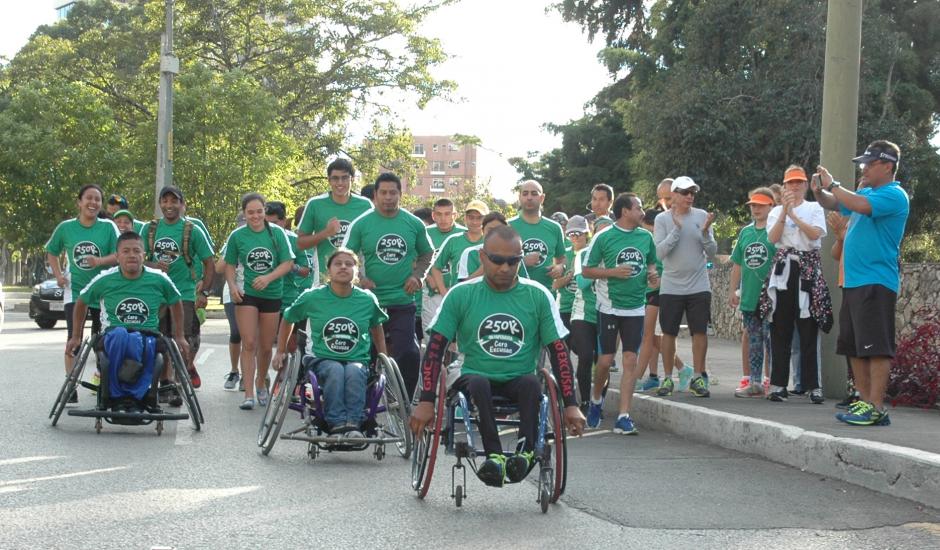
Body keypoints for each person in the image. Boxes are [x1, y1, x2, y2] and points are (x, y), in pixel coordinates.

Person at [410, 225, 585, 486]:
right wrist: (426, 400)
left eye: (513, 261)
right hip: (471, 373)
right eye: (497, 260)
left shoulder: (538, 295)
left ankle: (525, 453)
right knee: (479, 382)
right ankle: (494, 456)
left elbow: (558, 353)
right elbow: (435, 349)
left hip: (519, 376)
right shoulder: (461, 294)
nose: (505, 268)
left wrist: (571, 404)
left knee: (530, 383)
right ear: (483, 257)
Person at [812, 141, 908, 426]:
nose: (863, 168)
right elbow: (834, 202)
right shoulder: (865, 192)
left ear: (888, 166)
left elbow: (859, 205)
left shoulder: (894, 195)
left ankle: (877, 406)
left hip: (876, 281)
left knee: (876, 346)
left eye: (870, 163)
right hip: (853, 282)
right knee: (853, 346)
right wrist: (820, 192)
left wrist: (835, 183)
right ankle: (866, 403)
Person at [65, 232, 190, 410]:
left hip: (148, 334)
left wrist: (180, 336)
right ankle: (116, 394)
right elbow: (81, 302)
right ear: (117, 256)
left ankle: (134, 396)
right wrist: (76, 336)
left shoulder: (159, 278)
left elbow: (176, 302)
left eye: (136, 251)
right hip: (113, 333)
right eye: (125, 251)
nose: (131, 255)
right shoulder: (105, 278)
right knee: (122, 335)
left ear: (143, 255)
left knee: (144, 343)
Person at [273, 248, 388, 437]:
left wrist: (383, 356)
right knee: (335, 369)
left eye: (349, 264)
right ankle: (335, 423)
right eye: (338, 263)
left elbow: (377, 326)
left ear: (356, 271)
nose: (343, 267)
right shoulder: (312, 297)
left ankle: (353, 423)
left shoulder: (367, 299)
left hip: (356, 358)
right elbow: (288, 318)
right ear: (329, 270)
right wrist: (280, 351)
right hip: (320, 358)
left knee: (354, 370)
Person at [342, 172, 433, 397]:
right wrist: (360, 280)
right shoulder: (362, 224)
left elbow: (427, 253)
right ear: (375, 195)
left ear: (400, 195)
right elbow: (344, 257)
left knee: (410, 354)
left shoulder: (413, 223)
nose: (388, 197)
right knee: (367, 356)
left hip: (403, 300)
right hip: (370, 303)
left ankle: (404, 402)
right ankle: (365, 404)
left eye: (393, 192)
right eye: (383, 192)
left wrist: (418, 276)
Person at [582, 193, 658, 434]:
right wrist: (613, 272)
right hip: (609, 306)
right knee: (604, 361)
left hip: (636, 306)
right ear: (625, 211)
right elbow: (586, 270)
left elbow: (651, 264)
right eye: (638, 207)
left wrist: (653, 275)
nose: (642, 212)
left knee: (630, 360)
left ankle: (624, 416)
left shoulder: (646, 237)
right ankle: (595, 401)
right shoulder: (604, 237)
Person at [761, 166, 830, 404]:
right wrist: (784, 213)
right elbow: (772, 239)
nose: (795, 186)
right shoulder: (776, 211)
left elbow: (814, 235)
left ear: (804, 185)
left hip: (807, 269)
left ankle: (814, 386)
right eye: (790, 183)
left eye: (799, 182)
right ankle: (778, 384)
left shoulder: (814, 208)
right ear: (784, 186)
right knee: (780, 329)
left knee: (809, 328)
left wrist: (795, 217)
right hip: (784, 271)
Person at [46, 184, 119, 396]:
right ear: (79, 202)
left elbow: (119, 255)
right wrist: (59, 275)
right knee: (73, 337)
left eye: (97, 199)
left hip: (102, 292)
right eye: (89, 198)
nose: (93, 203)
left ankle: (102, 378)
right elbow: (52, 251)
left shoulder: (108, 227)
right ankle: (71, 384)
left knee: (101, 339)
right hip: (75, 291)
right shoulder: (66, 228)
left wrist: (99, 261)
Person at [223, 193, 295, 410]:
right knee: (249, 342)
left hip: (272, 294)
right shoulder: (237, 236)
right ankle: (249, 393)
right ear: (244, 214)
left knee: (265, 347)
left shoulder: (277, 234)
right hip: (247, 294)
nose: (255, 216)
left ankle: (261, 383)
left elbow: (287, 263)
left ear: (264, 211)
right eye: (250, 212)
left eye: (259, 211)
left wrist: (269, 277)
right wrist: (233, 285)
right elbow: (228, 264)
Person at [141, 186, 215, 394]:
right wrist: (153, 266)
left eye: (174, 201)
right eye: (165, 201)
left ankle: (179, 378)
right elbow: (136, 257)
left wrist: (204, 293)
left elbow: (209, 263)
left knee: (183, 338)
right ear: (160, 204)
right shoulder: (149, 229)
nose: (169, 206)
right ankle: (166, 381)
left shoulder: (192, 230)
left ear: (182, 205)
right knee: (159, 338)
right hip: (156, 294)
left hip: (183, 293)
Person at [653, 176, 717, 398]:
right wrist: (676, 230)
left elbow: (711, 252)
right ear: (674, 195)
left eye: (692, 192)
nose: (690, 196)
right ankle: (668, 378)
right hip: (671, 286)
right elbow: (659, 253)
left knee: (699, 331)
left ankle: (699, 377)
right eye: (685, 192)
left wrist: (706, 232)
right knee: (668, 333)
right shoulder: (662, 219)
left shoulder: (701, 216)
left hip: (699, 284)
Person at [730, 188, 776, 398]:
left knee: (771, 340)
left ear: (771, 206)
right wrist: (733, 289)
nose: (755, 209)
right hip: (749, 296)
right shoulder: (745, 232)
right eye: (753, 205)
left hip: (770, 297)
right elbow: (738, 263)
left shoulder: (776, 231)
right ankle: (755, 382)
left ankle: (773, 382)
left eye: (760, 205)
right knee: (755, 340)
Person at [297, 158, 373, 283]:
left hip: (356, 280)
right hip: (324, 279)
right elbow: (300, 243)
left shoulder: (365, 205)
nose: (340, 182)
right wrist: (326, 233)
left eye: (345, 178)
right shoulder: (315, 204)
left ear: (352, 179)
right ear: (329, 180)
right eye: (335, 178)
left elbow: (372, 243)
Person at [508, 180, 566, 291]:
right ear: (519, 197)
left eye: (534, 193)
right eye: (525, 194)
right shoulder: (507, 226)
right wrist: (522, 262)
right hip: (514, 294)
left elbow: (561, 258)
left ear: (542, 198)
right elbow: (497, 263)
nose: (529, 197)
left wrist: (561, 267)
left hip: (545, 294)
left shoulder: (554, 228)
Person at [567, 215, 598, 410]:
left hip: (606, 312)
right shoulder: (583, 255)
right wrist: (604, 270)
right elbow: (582, 282)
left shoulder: (611, 255)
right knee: (585, 356)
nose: (577, 237)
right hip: (583, 312)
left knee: (602, 361)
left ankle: (597, 402)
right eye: (572, 234)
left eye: (580, 233)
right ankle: (585, 401)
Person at [423, 198, 466, 335]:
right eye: (439, 214)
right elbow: (413, 259)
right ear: (433, 215)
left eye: (447, 214)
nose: (443, 218)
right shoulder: (425, 233)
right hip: (431, 293)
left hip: (458, 293)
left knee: (458, 339)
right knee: (432, 338)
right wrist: (427, 277)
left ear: (455, 215)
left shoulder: (465, 234)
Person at [429, 200, 488, 295]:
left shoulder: (493, 242)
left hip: (484, 297)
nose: (474, 221)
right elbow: (436, 267)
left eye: (479, 218)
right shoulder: (453, 240)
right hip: (459, 297)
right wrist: (444, 293)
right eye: (471, 217)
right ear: (465, 218)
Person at [217, 214, 246, 391]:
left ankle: (248, 376)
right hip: (232, 292)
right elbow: (219, 267)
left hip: (254, 291)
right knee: (236, 332)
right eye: (241, 223)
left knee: (250, 337)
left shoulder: (263, 237)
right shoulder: (233, 239)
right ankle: (235, 371)